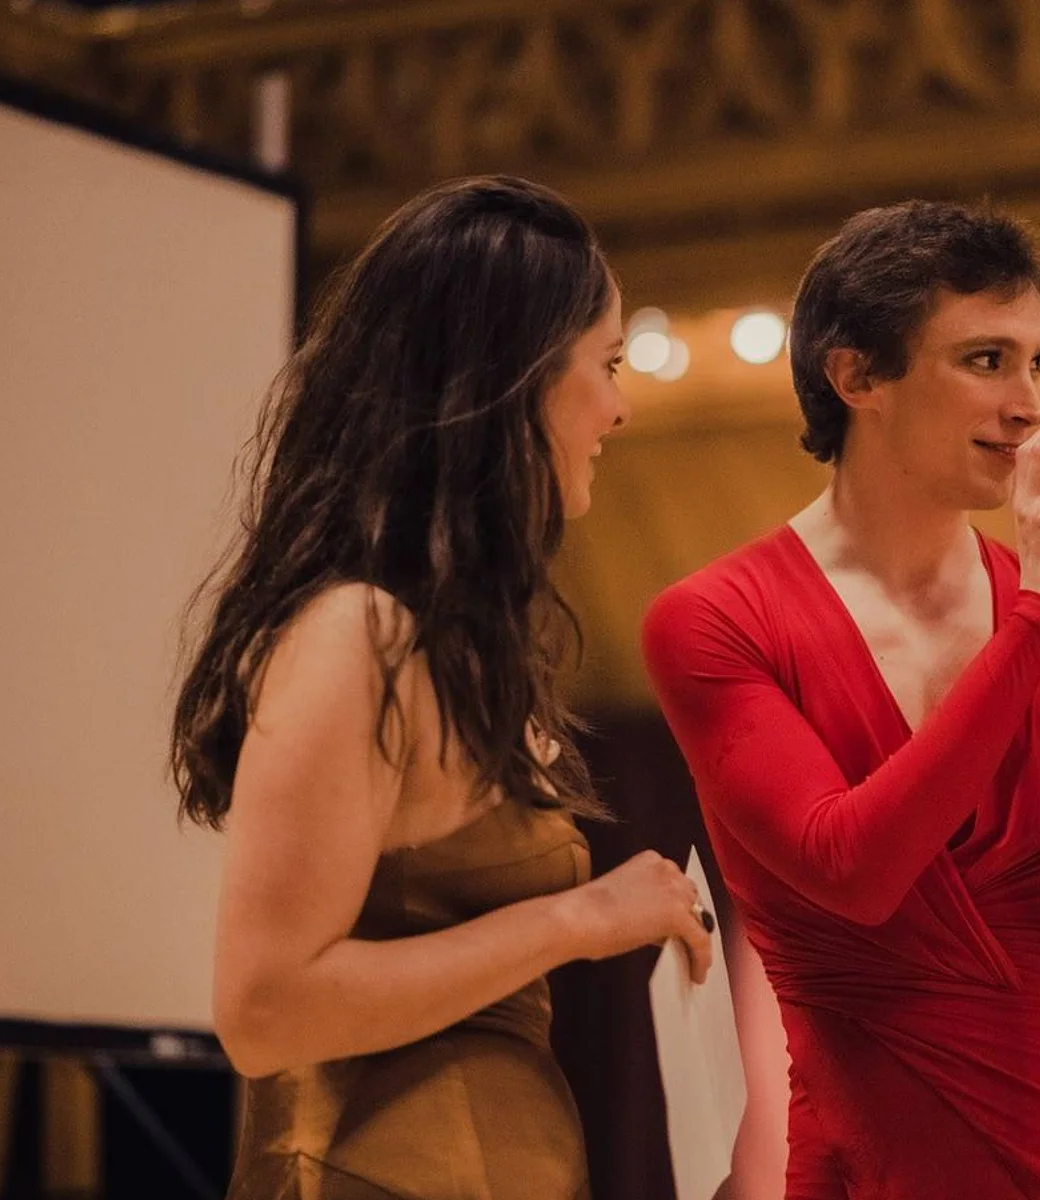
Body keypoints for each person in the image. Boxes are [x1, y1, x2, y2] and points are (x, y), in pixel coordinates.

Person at [641, 201, 1040, 1199]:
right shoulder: (713, 619)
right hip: (877, 1161)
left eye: (1038, 363)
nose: (1030, 406)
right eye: (986, 360)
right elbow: (855, 870)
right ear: (857, 376)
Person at [169, 176, 713, 1199]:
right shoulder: (355, 635)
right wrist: (581, 918)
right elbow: (265, 1010)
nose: (620, 406)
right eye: (605, 365)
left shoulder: (451, 643)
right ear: (518, 376)